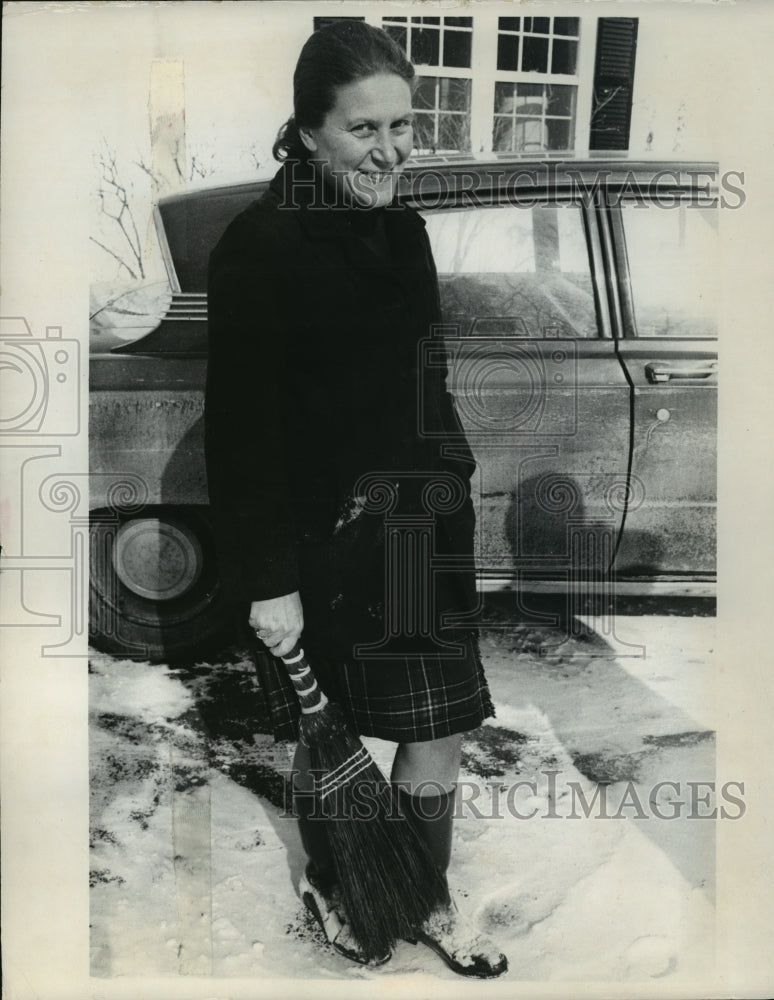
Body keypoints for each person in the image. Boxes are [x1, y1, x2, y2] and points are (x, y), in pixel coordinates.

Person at [204, 21, 507, 978]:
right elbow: (241, 431)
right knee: (325, 735)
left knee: (438, 730)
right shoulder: (259, 247)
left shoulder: (402, 232)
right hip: (323, 544)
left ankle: (423, 893)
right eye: (363, 130)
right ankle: (342, 884)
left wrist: (448, 478)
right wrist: (270, 580)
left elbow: (427, 380)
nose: (390, 151)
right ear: (308, 129)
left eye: (404, 126)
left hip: (417, 534)